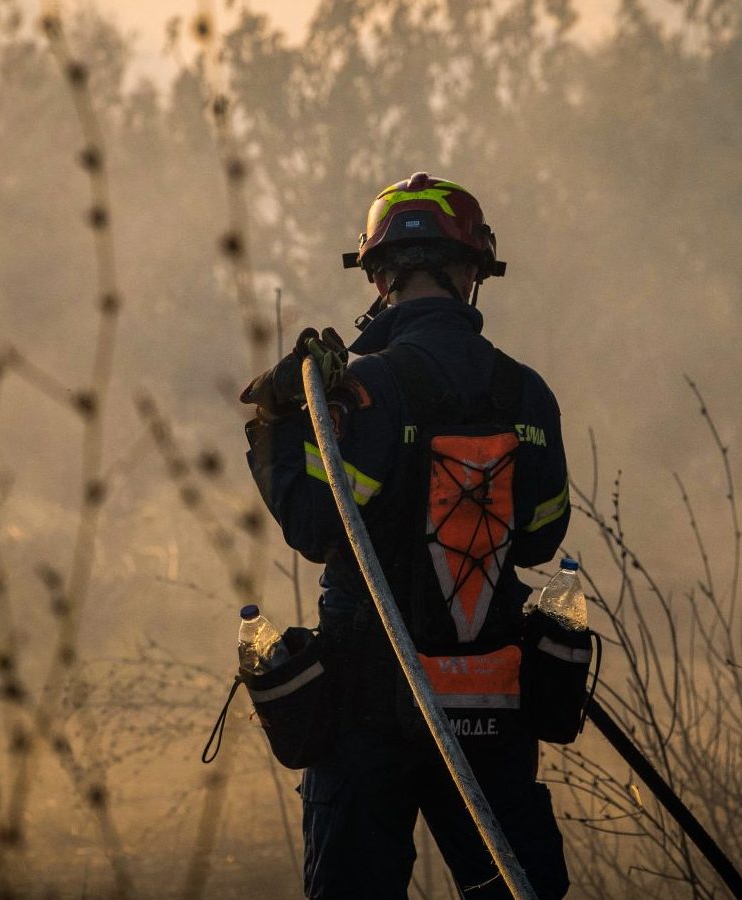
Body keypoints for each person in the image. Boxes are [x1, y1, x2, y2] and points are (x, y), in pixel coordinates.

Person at [240, 173, 572, 899]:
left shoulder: (366, 392)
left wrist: (278, 424)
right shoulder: (528, 394)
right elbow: (543, 538)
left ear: (380, 275)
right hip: (490, 706)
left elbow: (318, 526)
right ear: (471, 273)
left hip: (367, 712)